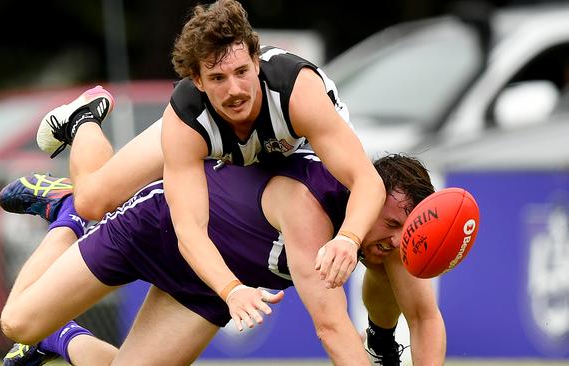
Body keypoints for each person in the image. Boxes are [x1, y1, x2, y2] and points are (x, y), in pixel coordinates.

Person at [34, 0, 386, 328]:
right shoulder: (189, 110)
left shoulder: (295, 91)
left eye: (241, 72)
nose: (234, 88)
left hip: (258, 158)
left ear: (256, 61)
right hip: (216, 131)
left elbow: (367, 182)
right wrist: (231, 289)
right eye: (218, 78)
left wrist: (348, 238)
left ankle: (381, 341)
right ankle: (82, 120)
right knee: (91, 201)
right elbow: (189, 229)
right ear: (199, 81)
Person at [0, 151, 445, 366]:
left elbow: (424, 317)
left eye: (403, 232)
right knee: (16, 322)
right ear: (365, 197)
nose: (394, 242)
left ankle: (58, 338)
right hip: (158, 230)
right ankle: (68, 212)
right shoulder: (311, 204)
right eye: (389, 226)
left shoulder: (389, 234)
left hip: (207, 284)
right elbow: (331, 327)